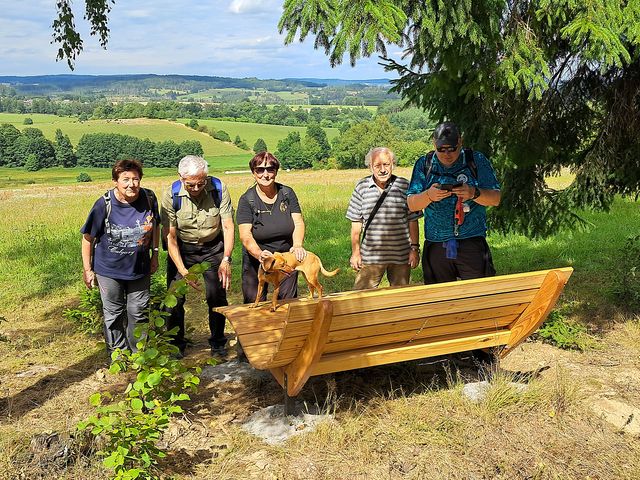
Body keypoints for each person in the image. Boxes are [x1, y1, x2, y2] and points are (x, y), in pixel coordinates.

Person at [81, 159, 159, 358]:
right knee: (114, 315)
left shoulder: (149, 198)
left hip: (140, 268)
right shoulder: (104, 204)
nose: (131, 184)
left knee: (139, 311)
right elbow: (88, 238)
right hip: (109, 270)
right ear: (115, 181)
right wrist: (88, 270)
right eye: (125, 179)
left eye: (135, 179)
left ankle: (139, 355)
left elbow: (155, 226)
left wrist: (155, 254)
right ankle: (119, 356)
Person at [407, 121, 501, 284]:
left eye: (452, 149)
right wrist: (429, 195)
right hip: (437, 243)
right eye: (441, 149)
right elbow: (412, 204)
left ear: (460, 142)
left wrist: (473, 193)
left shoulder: (476, 160)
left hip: (472, 241)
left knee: (478, 293)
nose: (447, 154)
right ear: (434, 143)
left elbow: (496, 198)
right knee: (440, 296)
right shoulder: (424, 164)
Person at [161, 155, 235, 358]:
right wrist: (183, 271)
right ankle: (176, 345)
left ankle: (218, 342)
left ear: (206, 177)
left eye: (200, 183)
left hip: (213, 248)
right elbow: (170, 237)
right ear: (181, 178)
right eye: (190, 184)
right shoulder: (171, 194)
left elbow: (228, 226)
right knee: (175, 298)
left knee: (216, 295)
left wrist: (226, 259)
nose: (195, 188)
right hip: (183, 250)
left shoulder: (218, 188)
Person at [236, 151, 307, 306]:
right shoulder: (247, 200)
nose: (265, 174)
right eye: (260, 170)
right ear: (253, 173)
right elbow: (245, 235)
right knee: (255, 304)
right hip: (256, 258)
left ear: (276, 171)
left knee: (286, 303)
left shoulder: (287, 193)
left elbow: (298, 222)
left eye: (270, 169)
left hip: (284, 258)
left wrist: (297, 245)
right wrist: (259, 254)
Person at [346, 147, 421, 289]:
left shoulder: (404, 186)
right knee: (361, 296)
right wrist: (355, 253)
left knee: (399, 297)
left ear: (393, 164)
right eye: (377, 165)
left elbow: (413, 220)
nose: (382, 170)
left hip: (401, 256)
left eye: (386, 164)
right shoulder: (361, 187)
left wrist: (415, 249)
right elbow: (356, 224)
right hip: (371, 256)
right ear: (370, 167)